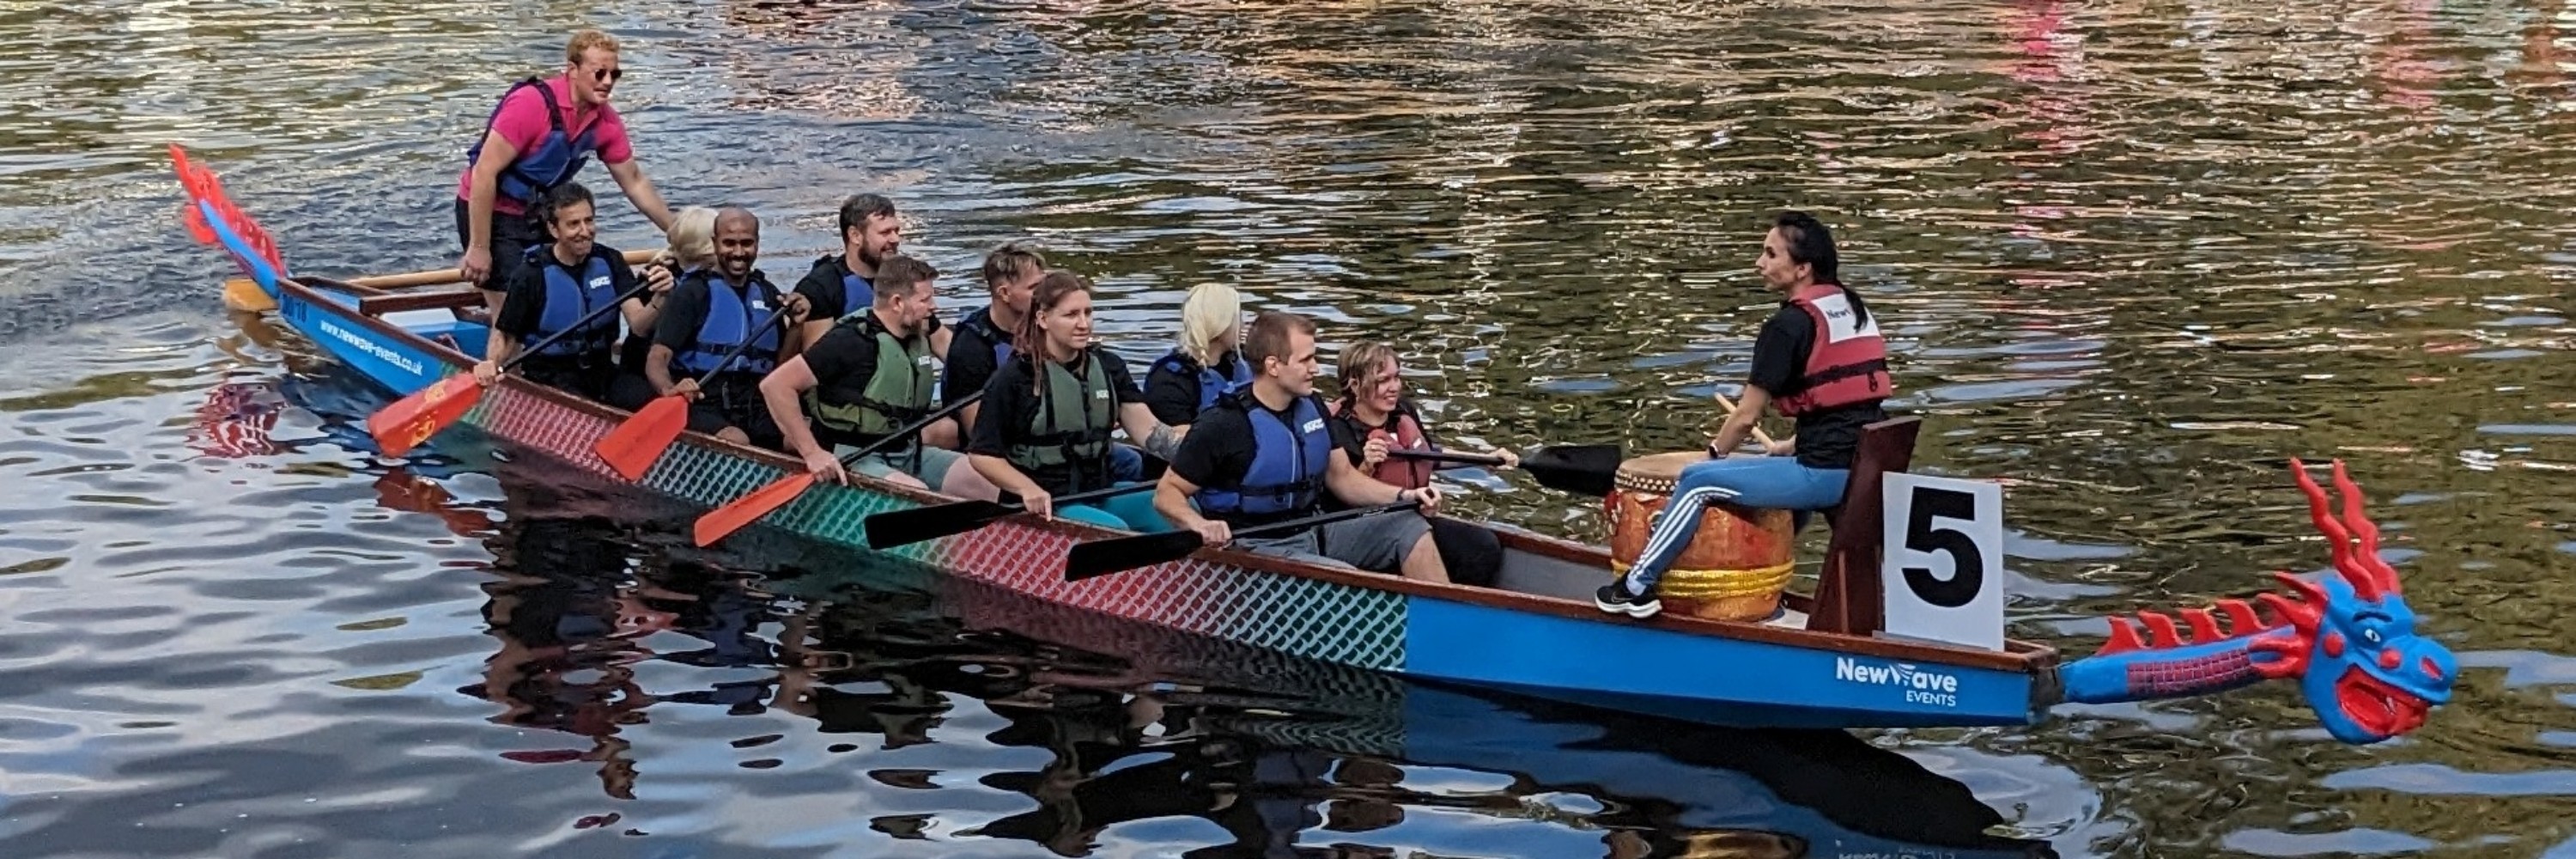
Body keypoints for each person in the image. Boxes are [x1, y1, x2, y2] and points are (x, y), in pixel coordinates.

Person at [1595, 211, 1892, 618]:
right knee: (1772, 466)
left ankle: (1633, 587)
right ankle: (1760, 576)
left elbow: (1745, 419)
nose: (1759, 263)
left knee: (1697, 482)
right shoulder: (1852, 309)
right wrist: (1793, 444)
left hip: (1825, 474)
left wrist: (1712, 455)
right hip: (1864, 467)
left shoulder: (1788, 326)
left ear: (1802, 268)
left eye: (1771, 254)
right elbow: (1853, 406)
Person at [1154, 312, 1450, 583]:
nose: (1316, 368)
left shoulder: (1313, 406)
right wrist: (1199, 524)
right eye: (1306, 360)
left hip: (1312, 531)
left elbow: (1344, 478)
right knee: (1346, 578)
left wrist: (1406, 496)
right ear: (1273, 366)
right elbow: (1167, 493)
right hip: (1253, 548)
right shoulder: (1224, 424)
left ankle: (1445, 615)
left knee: (1409, 526)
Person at [457, 29, 676, 314]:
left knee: (557, 298)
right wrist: (479, 248)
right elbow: (484, 173)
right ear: (573, 70)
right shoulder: (530, 105)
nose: (608, 82)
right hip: (491, 210)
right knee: (513, 312)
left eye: (615, 74)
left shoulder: (606, 122)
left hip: (541, 214)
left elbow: (634, 182)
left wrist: (678, 233)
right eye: (599, 73)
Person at [758, 255, 999, 498]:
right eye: (925, 299)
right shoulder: (850, 341)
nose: (933, 306)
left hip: (908, 451)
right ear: (897, 303)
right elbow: (775, 386)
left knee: (991, 481)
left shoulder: (918, 331)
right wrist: (812, 453)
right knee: (916, 493)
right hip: (855, 456)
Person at [967, 271, 1184, 531]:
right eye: (1071, 315)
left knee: (1184, 511)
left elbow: (1149, 432)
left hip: (1100, 491)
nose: (1084, 324)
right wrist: (1026, 488)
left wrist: (1202, 456)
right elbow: (982, 454)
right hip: (1047, 502)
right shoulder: (1015, 378)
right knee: (1115, 530)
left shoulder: (1109, 367)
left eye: (1088, 313)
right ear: (1043, 319)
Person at [1327, 340, 1518, 588]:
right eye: (1383, 381)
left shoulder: (1403, 411)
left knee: (1483, 547)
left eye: (1396, 377)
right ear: (1355, 385)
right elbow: (1344, 488)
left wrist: (1484, 460)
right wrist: (1367, 466)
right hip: (1366, 529)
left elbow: (1428, 456)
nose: (1394, 387)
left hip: (1413, 517)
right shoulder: (1337, 429)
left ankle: (1461, 599)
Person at [474, 182, 671, 401]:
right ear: (553, 229)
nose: (585, 232)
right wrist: (491, 363)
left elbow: (639, 325)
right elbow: (505, 334)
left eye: (589, 221)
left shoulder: (610, 260)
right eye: (574, 224)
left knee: (650, 400)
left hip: (602, 370)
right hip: (551, 377)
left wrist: (661, 297)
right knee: (583, 406)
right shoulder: (532, 273)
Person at [644, 207, 811, 449]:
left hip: (754, 401)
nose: (739, 252)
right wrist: (669, 389)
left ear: (757, 243)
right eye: (729, 243)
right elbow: (657, 357)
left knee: (802, 440)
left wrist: (796, 326)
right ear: (715, 243)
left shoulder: (768, 294)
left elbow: (780, 366)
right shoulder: (693, 293)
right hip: (703, 399)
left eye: (747, 243)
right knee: (737, 440)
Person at [607, 205, 714, 411]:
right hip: (641, 370)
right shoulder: (657, 276)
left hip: (689, 369)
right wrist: (663, 296)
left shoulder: (719, 280)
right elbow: (638, 328)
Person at [942, 243, 1047, 434]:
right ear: (1004, 293)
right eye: (1034, 288)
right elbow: (977, 430)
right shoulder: (971, 346)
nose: (1044, 295)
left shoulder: (1047, 326)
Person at [1142, 283, 1253, 428]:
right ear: (1220, 325)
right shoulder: (1172, 379)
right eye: (1238, 319)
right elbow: (1177, 437)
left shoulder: (1243, 360)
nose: (1243, 326)